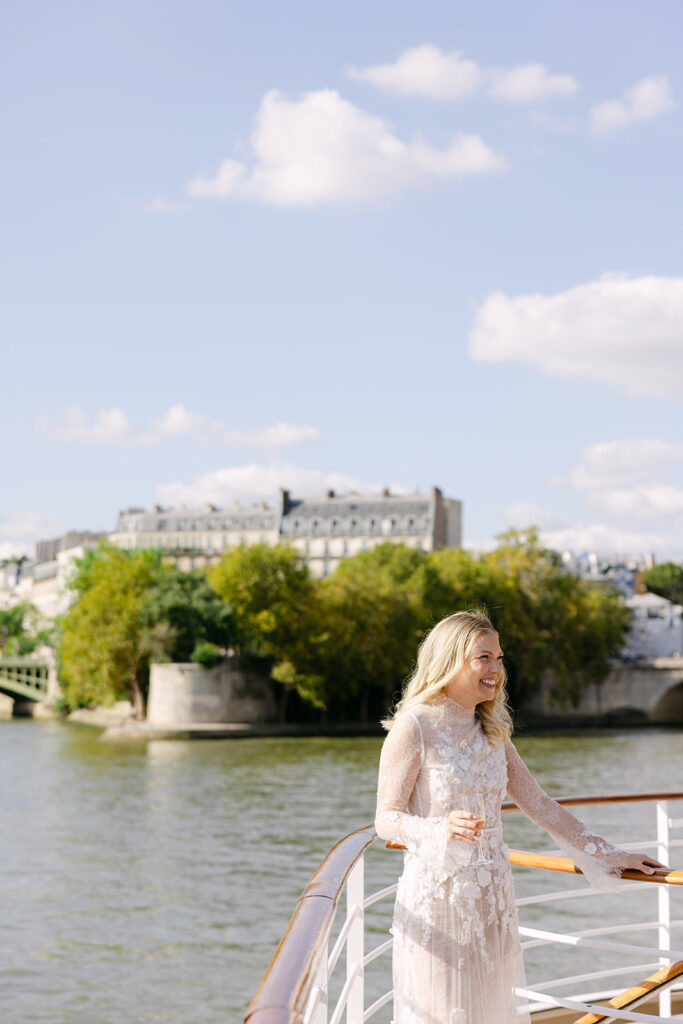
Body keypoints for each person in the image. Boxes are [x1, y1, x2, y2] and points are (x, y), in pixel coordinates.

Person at [374, 610, 667, 1024]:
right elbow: (385, 819)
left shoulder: (492, 731)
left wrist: (613, 855)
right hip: (438, 901)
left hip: (494, 898)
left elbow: (542, 806)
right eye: (484, 658)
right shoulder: (414, 726)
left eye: (499, 658)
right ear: (450, 660)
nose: (496, 669)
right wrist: (440, 828)